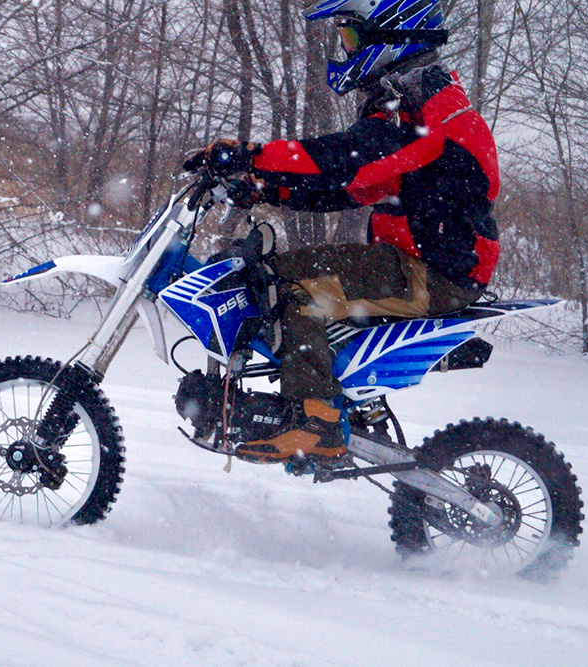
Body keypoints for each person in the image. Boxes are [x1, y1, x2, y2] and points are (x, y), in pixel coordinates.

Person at [183, 0, 500, 461]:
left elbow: (349, 156)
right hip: (419, 261)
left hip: (435, 272)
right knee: (274, 273)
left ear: (392, 33)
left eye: (352, 35)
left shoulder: (431, 106)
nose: (345, 48)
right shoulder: (412, 98)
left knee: (291, 284)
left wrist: (253, 155)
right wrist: (266, 188)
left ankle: (317, 422)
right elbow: (355, 185)